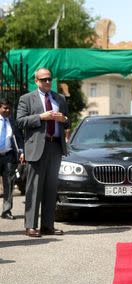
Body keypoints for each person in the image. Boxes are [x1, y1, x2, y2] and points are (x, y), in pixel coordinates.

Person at [16, 67, 70, 238]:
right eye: (44, 79)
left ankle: (47, 225)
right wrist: (41, 117)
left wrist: (64, 119)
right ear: (36, 81)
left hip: (55, 147)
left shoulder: (59, 98)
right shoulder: (27, 99)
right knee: (34, 189)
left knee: (50, 189)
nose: (47, 82)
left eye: (49, 79)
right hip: (37, 148)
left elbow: (67, 122)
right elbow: (19, 122)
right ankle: (31, 226)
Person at [0, 99, 24, 220]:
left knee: (9, 183)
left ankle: (6, 210)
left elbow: (19, 138)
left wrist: (21, 151)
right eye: (5, 108)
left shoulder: (13, 122)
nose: (7, 110)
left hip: (9, 156)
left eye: (9, 108)